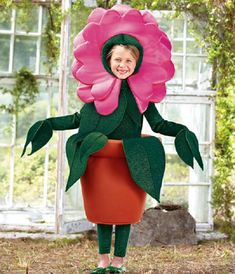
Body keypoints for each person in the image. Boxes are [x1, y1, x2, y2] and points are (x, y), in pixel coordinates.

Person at [22, 5, 204, 274]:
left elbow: (158, 123)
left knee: (125, 214)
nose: (123, 65)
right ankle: (103, 260)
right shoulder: (99, 93)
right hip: (101, 162)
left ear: (137, 64)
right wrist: (48, 124)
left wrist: (181, 132)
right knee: (104, 213)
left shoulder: (141, 95)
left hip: (130, 160)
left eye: (129, 61)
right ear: (108, 60)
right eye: (118, 60)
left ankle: (119, 262)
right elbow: (78, 119)